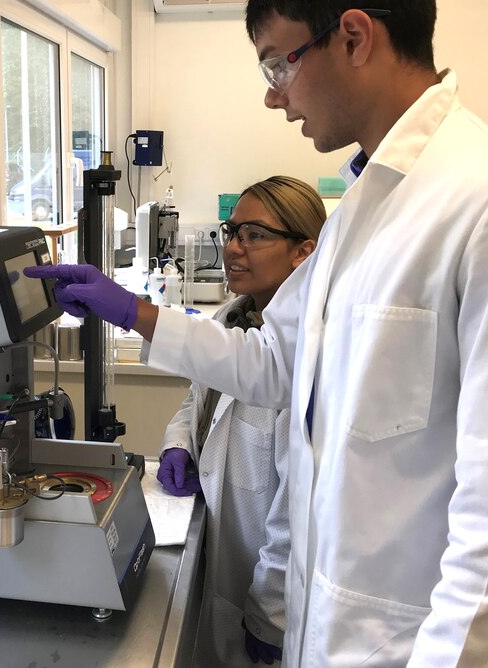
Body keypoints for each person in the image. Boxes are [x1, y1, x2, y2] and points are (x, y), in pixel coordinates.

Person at [26, 0, 488, 666]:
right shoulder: (361, 211)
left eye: (277, 64)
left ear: (353, 37)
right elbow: (277, 366)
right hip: (319, 641)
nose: (274, 96)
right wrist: (137, 312)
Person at [157, 176, 326, 668]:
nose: (232, 247)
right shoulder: (232, 321)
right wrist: (179, 443)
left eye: (253, 235)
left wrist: (271, 613)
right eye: (231, 232)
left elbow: (300, 506)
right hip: (216, 557)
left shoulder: (308, 364)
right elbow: (198, 400)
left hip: (267, 597)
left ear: (303, 251)